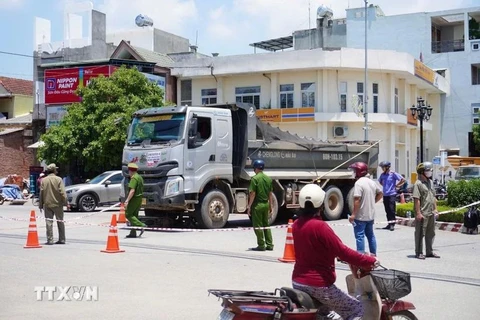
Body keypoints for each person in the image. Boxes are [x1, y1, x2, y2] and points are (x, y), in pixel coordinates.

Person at [292, 183, 379, 319]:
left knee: (328, 315)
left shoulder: (296, 224)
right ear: (321, 204)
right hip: (319, 285)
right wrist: (370, 261)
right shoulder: (320, 227)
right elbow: (342, 251)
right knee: (356, 309)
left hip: (298, 282)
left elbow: (313, 248)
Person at [348, 162, 383, 256]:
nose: (354, 173)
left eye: (355, 171)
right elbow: (380, 193)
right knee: (371, 236)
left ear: (359, 172)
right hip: (370, 216)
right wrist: (373, 201)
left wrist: (353, 215)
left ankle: (360, 257)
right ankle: (373, 255)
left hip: (360, 216)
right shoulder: (371, 182)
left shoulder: (358, 183)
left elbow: (357, 199)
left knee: (360, 236)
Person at [412, 162, 440, 260]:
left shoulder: (430, 182)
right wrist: (418, 213)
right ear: (422, 172)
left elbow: (433, 197)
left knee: (431, 233)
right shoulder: (418, 184)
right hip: (423, 213)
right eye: (428, 170)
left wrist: (435, 209)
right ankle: (419, 252)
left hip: (431, 212)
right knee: (420, 234)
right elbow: (417, 199)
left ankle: (429, 251)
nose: (430, 172)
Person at [247, 159, 274, 251]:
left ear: (255, 168)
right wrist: (271, 206)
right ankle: (270, 244)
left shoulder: (255, 179)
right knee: (266, 225)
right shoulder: (268, 179)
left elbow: (253, 193)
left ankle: (261, 245)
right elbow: (270, 194)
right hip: (265, 204)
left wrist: (249, 206)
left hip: (257, 205)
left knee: (258, 226)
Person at [39, 163, 67, 245]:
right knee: (60, 222)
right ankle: (62, 239)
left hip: (47, 204)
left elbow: (41, 193)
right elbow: (62, 192)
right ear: (54, 170)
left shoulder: (44, 180)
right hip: (58, 204)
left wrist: (41, 204)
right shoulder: (59, 179)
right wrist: (66, 202)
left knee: (49, 223)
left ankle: (50, 240)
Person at [378, 161, 405, 231]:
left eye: (383, 167)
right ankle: (389, 223)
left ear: (387, 167)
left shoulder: (393, 174)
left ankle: (392, 224)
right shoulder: (382, 175)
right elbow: (380, 181)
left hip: (392, 194)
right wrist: (385, 186)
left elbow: (402, 180)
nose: (382, 169)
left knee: (392, 209)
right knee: (387, 210)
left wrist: (397, 185)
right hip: (385, 194)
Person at [124, 163, 147, 238]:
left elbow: (132, 190)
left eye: (129, 171)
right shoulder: (140, 177)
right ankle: (133, 233)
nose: (129, 173)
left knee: (128, 214)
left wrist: (127, 200)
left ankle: (141, 225)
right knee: (134, 216)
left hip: (134, 199)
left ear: (130, 171)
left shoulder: (134, 178)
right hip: (139, 199)